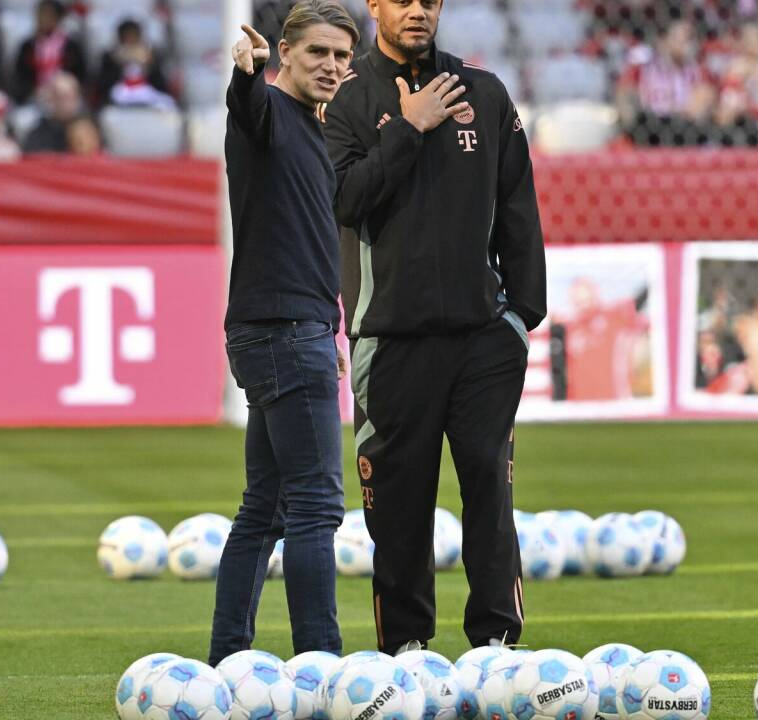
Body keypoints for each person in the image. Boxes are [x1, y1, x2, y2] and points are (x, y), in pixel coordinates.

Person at [323, 0, 546, 654]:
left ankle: (496, 648)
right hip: (390, 339)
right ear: (375, 6)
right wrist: (409, 128)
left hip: (482, 338)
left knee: (487, 485)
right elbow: (344, 200)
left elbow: (518, 213)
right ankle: (407, 652)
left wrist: (518, 318)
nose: (417, 10)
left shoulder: (485, 93)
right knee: (398, 509)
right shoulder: (349, 102)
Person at [208, 0, 358, 667]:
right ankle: (321, 665)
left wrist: (331, 330)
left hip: (291, 331)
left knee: (263, 510)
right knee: (316, 508)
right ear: (287, 52)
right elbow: (247, 105)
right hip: (285, 333)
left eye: (342, 57)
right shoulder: (265, 114)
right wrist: (248, 74)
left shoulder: (310, 129)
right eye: (319, 52)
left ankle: (227, 657)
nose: (331, 66)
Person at [615, 17, 717, 147]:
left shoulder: (697, 70)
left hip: (683, 129)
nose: (687, 44)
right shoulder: (644, 67)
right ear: (664, 40)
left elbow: (699, 104)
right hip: (649, 127)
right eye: (681, 38)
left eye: (689, 38)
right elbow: (623, 95)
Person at [13, 0, 87, 105]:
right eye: (40, 15)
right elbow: (20, 76)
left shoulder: (71, 46)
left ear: (58, 18)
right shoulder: (28, 46)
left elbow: (81, 75)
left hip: (66, 96)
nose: (43, 19)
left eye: (48, 15)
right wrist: (32, 91)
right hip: (36, 97)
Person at [95, 18, 174, 109]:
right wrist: (118, 64)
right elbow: (102, 86)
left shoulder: (151, 54)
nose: (131, 40)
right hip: (120, 93)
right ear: (121, 39)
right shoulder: (109, 56)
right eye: (127, 37)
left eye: (134, 36)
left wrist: (149, 65)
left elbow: (161, 85)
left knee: (167, 102)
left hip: (145, 92)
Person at [22, 72, 83, 154]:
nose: (66, 103)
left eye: (70, 97)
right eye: (61, 97)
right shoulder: (40, 133)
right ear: (51, 99)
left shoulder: (88, 129)